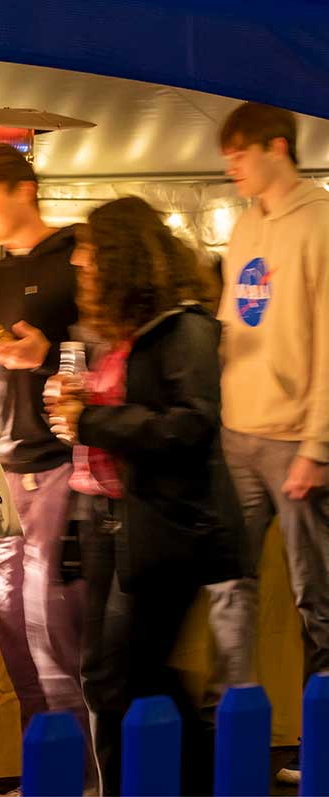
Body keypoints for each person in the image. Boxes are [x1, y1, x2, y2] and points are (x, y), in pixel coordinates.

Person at [50, 197, 247, 797]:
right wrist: (78, 405)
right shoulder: (122, 334)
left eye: (91, 252)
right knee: (117, 677)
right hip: (110, 521)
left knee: (125, 677)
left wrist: (92, 421)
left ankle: (184, 780)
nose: (80, 261)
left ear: (123, 258)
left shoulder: (183, 327)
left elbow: (189, 426)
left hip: (163, 529)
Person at [0, 143, 93, 784]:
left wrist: (56, 351)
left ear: (24, 190)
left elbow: (109, 349)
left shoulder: (76, 258)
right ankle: (47, 774)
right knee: (15, 636)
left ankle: (88, 777)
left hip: (64, 464)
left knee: (54, 634)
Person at [206, 99, 329, 783]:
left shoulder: (321, 223)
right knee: (230, 584)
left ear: (277, 146)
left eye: (239, 154)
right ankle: (239, 740)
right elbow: (236, 331)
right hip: (238, 434)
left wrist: (318, 443)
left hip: (295, 439)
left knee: (318, 598)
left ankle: (321, 751)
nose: (231, 168)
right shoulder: (244, 226)